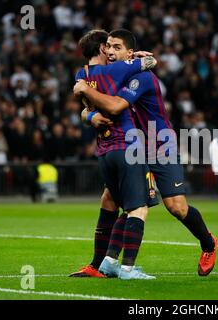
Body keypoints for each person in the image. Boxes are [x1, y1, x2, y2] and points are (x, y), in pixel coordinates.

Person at [75, 29, 218, 277]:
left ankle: (208, 243)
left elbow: (115, 105)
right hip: (132, 146)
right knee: (116, 200)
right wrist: (88, 114)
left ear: (129, 53)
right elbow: (92, 107)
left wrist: (86, 94)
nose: (110, 51)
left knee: (176, 206)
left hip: (158, 143)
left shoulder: (139, 77)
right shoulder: (114, 74)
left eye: (117, 47)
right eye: (108, 46)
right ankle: (101, 264)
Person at [69, 29, 159, 279]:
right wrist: (138, 58)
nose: (111, 51)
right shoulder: (118, 70)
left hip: (104, 150)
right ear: (101, 50)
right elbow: (152, 62)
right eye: (108, 46)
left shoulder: (81, 75)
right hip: (127, 144)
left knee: (109, 199)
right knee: (138, 208)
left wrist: (87, 114)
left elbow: (83, 100)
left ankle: (102, 264)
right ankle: (128, 269)